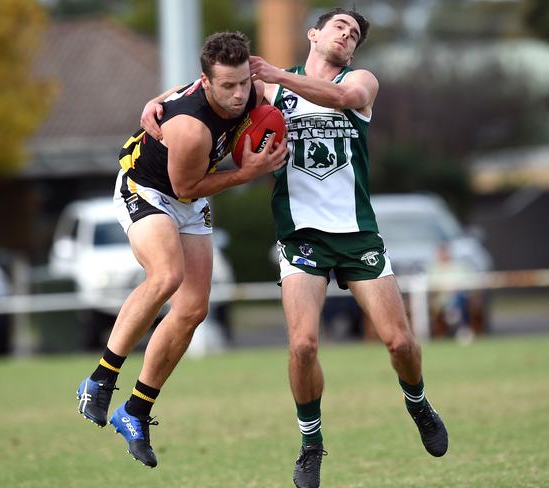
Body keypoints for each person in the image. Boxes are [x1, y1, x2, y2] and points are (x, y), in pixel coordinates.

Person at [144, 8, 448, 487]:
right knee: (303, 344)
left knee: (401, 342)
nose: (347, 35)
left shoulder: (359, 80)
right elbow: (209, 89)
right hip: (300, 235)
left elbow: (346, 97)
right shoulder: (262, 88)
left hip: (357, 233)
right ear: (314, 33)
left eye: (354, 34)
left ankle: (418, 403)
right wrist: (157, 102)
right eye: (338, 27)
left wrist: (279, 75)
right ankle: (310, 444)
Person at [76, 31, 287, 469]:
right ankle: (100, 379)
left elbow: (180, 96)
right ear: (206, 83)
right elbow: (185, 185)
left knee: (193, 309)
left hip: (190, 199)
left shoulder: (254, 91)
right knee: (166, 276)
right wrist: (249, 173)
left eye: (242, 83)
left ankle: (135, 410)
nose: (237, 95)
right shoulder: (191, 128)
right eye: (226, 86)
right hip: (149, 189)